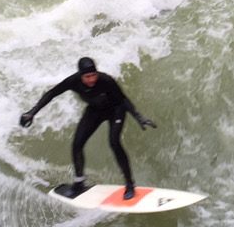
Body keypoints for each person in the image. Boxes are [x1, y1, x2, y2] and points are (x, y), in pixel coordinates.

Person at [19, 56, 156, 200]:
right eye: (88, 76)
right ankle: (79, 183)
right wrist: (32, 113)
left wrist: (138, 116)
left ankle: (129, 184)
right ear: (81, 75)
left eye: (94, 75)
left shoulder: (106, 80)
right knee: (77, 144)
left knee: (114, 143)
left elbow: (123, 99)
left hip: (116, 110)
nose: (92, 79)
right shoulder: (73, 81)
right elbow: (52, 94)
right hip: (95, 110)